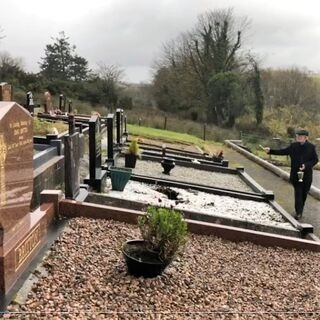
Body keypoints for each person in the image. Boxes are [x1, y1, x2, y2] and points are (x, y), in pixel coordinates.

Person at [262, 129, 318, 220]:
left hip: (307, 175)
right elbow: (283, 152)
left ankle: (300, 209)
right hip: (295, 175)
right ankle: (298, 212)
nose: (298, 137)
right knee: (298, 193)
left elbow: (315, 160)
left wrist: (306, 165)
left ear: (306, 138)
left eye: (300, 136)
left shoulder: (311, 147)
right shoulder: (293, 146)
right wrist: (270, 151)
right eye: (297, 136)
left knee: (304, 194)